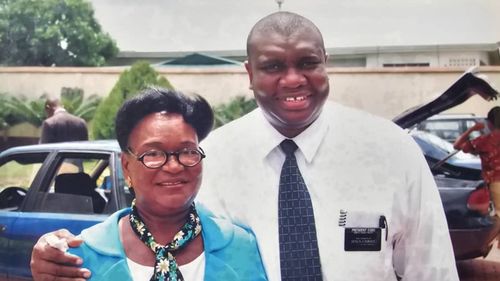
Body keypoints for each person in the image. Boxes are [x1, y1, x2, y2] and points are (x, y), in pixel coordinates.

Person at [30, 12, 459, 281]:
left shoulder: (391, 151)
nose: (293, 80)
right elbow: (155, 235)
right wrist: (53, 249)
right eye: (273, 66)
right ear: (249, 74)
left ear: (326, 63)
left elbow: (431, 269)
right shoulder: (211, 157)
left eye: (308, 63)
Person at [35, 88, 267, 281]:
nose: (174, 166)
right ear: (126, 167)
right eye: (154, 153)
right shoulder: (82, 255)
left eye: (187, 151)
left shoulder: (240, 247)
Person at [454, 106, 500, 245]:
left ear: (489, 123)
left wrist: (472, 129)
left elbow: (457, 145)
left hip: (495, 183)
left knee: (498, 213)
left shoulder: (484, 141)